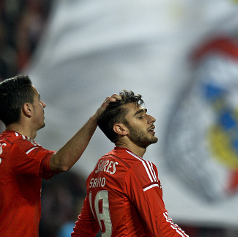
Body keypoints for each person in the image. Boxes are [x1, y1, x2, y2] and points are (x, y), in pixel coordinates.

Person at [0, 74, 113, 237]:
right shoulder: (18, 147)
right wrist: (95, 120)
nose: (43, 104)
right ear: (28, 109)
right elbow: (61, 162)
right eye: (38, 100)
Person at [70, 90, 189, 237]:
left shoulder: (100, 168)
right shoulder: (137, 167)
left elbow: (82, 232)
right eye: (140, 117)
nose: (151, 119)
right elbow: (162, 227)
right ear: (120, 129)